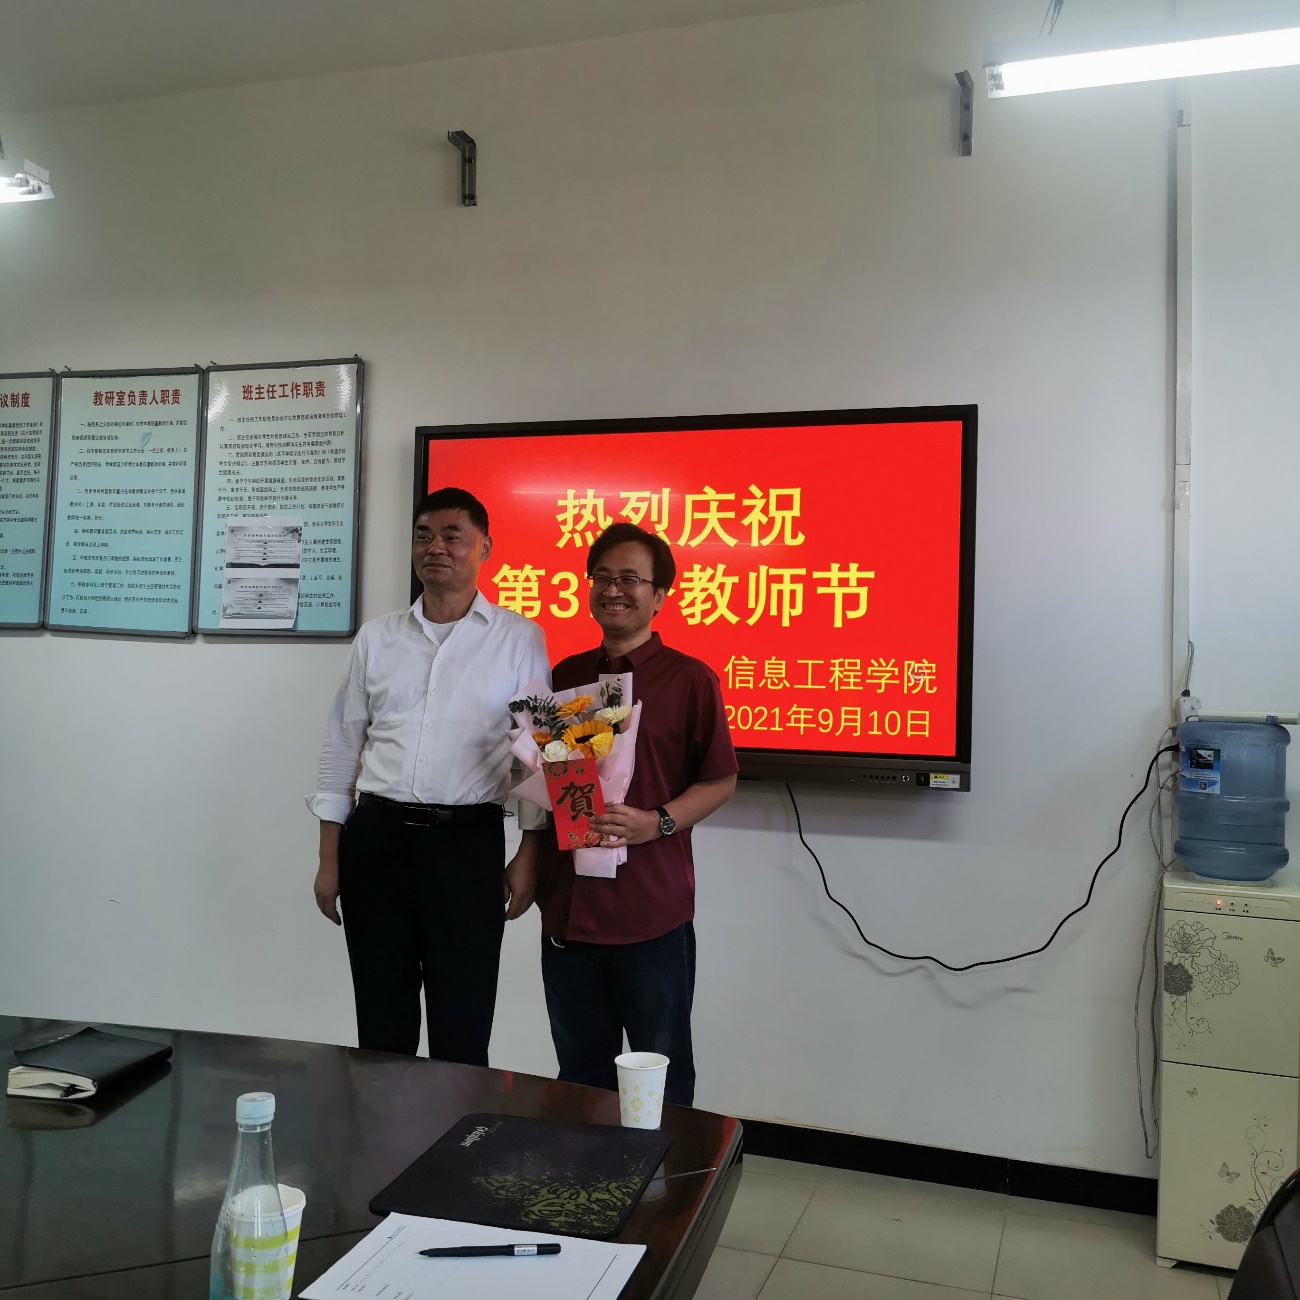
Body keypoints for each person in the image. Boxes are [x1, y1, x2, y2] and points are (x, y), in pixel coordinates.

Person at [307, 487, 549, 1065]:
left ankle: (456, 1127)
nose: (435, 547)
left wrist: (529, 852)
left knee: (462, 1025)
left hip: (467, 846)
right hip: (377, 843)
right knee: (381, 1023)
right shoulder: (377, 637)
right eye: (423, 536)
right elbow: (342, 748)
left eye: (452, 536)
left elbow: (537, 755)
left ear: (485, 548)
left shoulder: (519, 638)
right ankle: (380, 1127)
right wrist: (328, 857)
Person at [536, 522, 738, 1106]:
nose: (612, 590)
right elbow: (552, 781)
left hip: (652, 912)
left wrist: (659, 821)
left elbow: (720, 779)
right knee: (580, 1074)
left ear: (659, 595)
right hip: (570, 910)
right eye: (601, 577)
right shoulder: (565, 677)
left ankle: (664, 1170)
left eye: (629, 578)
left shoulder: (690, 679)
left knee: (662, 1076)